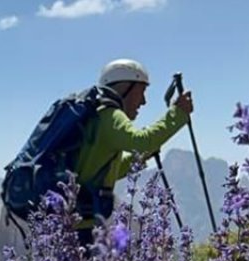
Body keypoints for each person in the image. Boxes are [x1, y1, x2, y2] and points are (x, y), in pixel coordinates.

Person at [72, 58, 195, 246]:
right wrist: (177, 114)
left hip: (77, 223)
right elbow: (141, 141)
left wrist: (141, 157)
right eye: (141, 92)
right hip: (83, 228)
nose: (144, 101)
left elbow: (111, 170)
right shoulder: (109, 115)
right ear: (126, 87)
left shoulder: (96, 117)